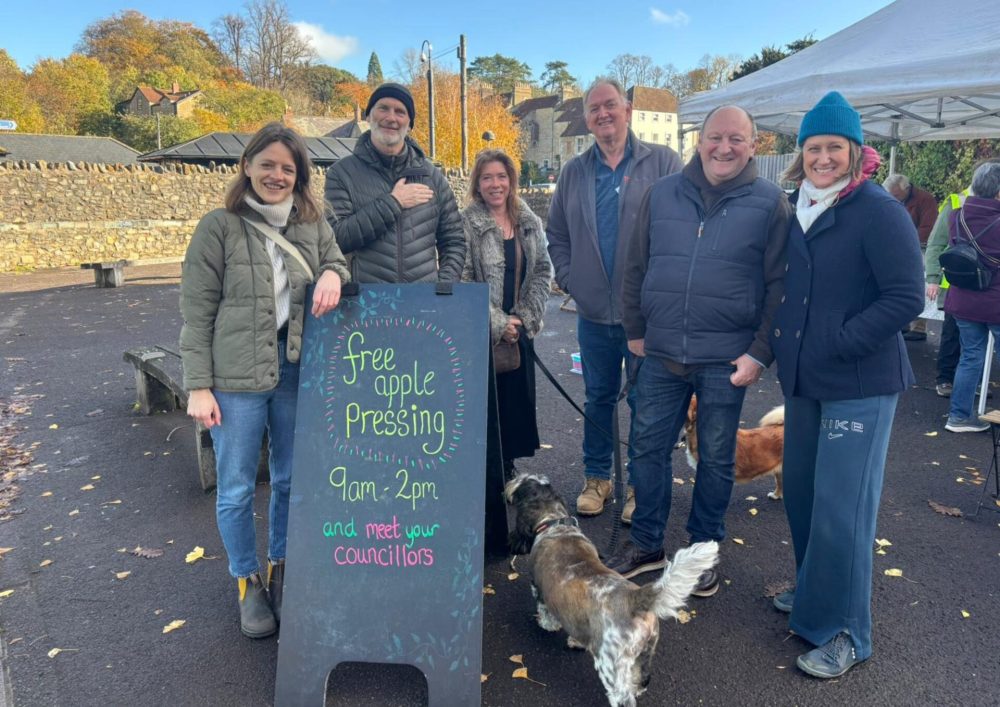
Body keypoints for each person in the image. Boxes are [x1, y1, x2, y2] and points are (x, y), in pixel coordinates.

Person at [769, 92, 923, 678]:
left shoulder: (878, 210)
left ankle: (847, 632)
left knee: (843, 508)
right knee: (803, 495)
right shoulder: (797, 208)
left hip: (859, 380)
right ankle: (815, 594)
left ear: (855, 151)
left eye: (835, 146)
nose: (823, 157)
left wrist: (842, 339)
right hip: (805, 380)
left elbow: (905, 297)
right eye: (814, 147)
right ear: (801, 153)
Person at [606, 105, 791, 591]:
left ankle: (702, 551)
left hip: (726, 358)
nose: (723, 148)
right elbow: (635, 266)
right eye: (715, 137)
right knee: (646, 450)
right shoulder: (661, 193)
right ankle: (646, 544)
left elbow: (781, 286)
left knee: (716, 458)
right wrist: (635, 330)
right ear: (699, 140)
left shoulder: (771, 203)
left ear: (753, 145)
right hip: (660, 352)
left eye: (736, 139)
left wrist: (759, 352)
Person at [180, 123, 350, 638]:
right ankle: (246, 580)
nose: (277, 175)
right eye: (268, 164)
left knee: (291, 479)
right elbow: (197, 310)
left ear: (300, 177)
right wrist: (198, 385)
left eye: (288, 168)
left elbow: (337, 261)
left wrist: (332, 274)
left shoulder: (313, 225)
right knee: (235, 488)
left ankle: (282, 564)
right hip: (234, 377)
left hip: (295, 368)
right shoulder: (219, 227)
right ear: (247, 166)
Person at [546, 78, 682, 521]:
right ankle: (597, 478)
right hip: (593, 314)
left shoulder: (663, 162)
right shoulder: (574, 172)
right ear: (587, 120)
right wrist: (571, 280)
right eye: (594, 109)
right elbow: (556, 234)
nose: (603, 114)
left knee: (646, 401)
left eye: (610, 105)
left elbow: (682, 229)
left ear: (627, 110)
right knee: (598, 398)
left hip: (646, 315)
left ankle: (640, 486)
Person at [461, 149, 553, 475]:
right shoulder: (467, 223)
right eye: (487, 178)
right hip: (481, 334)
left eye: (501, 176)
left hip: (519, 333)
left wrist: (523, 319)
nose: (495, 184)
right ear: (477, 184)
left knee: (514, 411)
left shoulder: (529, 222)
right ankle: (483, 480)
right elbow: (463, 279)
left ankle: (507, 473)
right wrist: (498, 323)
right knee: (484, 411)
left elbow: (542, 270)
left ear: (511, 180)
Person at [323, 82, 465, 283]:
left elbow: (453, 240)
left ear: (409, 124)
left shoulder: (432, 176)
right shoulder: (342, 174)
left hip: (422, 298)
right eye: (383, 108)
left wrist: (443, 288)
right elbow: (335, 239)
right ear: (368, 116)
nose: (391, 118)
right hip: (368, 298)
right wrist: (393, 202)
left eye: (400, 112)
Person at [942, 161, 1000, 433]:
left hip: (963, 300)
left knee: (970, 356)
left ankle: (959, 417)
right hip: (995, 302)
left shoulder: (957, 215)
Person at [885, 174, 939, 341]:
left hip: (918, 248)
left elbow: (928, 227)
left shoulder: (925, 199)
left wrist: (907, 244)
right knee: (900, 284)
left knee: (918, 284)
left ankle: (919, 327)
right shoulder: (890, 199)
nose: (893, 198)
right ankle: (903, 323)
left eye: (896, 195)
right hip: (897, 248)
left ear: (907, 189)